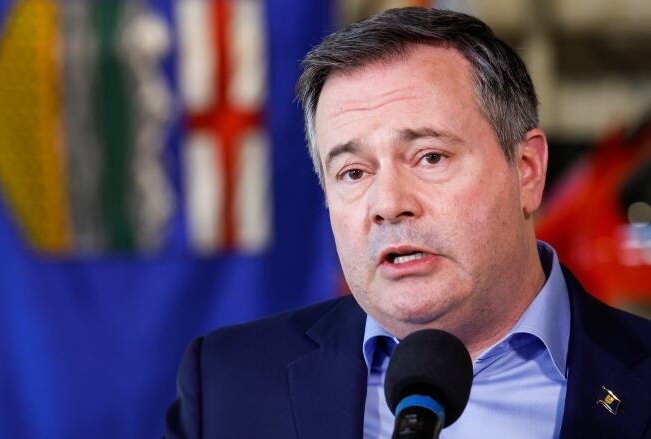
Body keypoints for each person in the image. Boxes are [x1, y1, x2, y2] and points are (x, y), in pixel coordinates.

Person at [165, 7, 651, 439]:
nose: (389, 204)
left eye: (429, 157)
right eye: (353, 172)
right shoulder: (230, 386)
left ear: (526, 170)